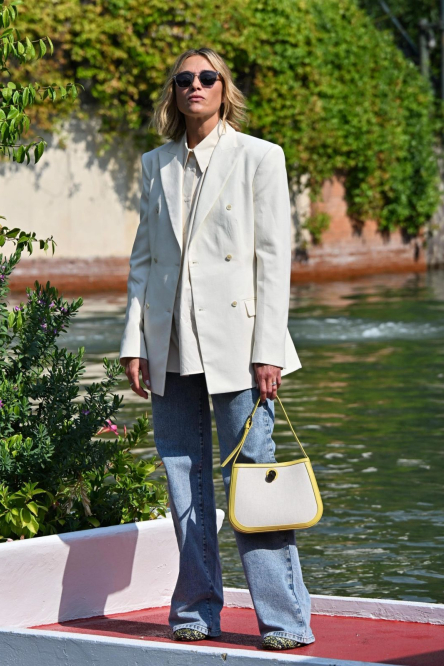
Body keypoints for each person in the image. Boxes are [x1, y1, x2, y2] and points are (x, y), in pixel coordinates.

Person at [119, 47, 314, 651]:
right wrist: (134, 341)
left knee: (256, 480)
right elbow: (144, 261)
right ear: (174, 93)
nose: (195, 85)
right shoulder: (156, 165)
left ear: (224, 89)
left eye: (207, 77)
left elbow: (272, 260)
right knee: (183, 481)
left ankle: (284, 621)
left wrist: (269, 351)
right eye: (184, 79)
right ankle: (198, 609)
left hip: (241, 347)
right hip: (170, 347)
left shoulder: (260, 157)